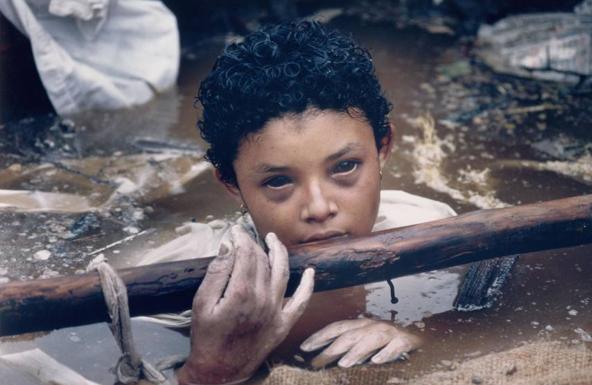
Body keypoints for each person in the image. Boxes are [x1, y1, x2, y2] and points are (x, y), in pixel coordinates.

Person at [134, 20, 455, 385]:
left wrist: (419, 330)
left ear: (383, 149)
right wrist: (206, 373)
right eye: (278, 181)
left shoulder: (431, 231)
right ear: (231, 183)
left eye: (345, 167)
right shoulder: (178, 287)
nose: (319, 208)